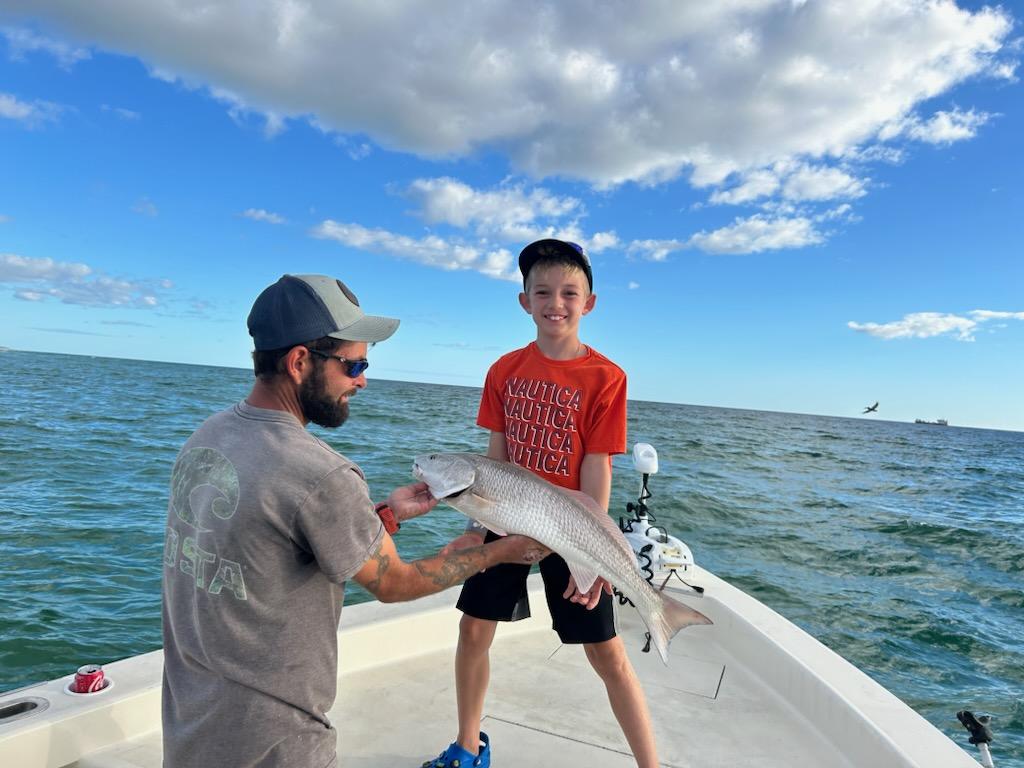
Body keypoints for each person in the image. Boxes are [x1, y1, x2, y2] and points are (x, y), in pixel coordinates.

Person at [161, 273, 549, 768]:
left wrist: (383, 515)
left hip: (192, 728)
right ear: (299, 361)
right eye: (354, 364)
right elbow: (394, 583)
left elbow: (277, 540)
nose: (363, 379)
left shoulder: (207, 437)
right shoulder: (321, 473)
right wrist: (499, 551)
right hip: (277, 743)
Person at [424, 240, 659, 768]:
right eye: (543, 291)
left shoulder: (607, 377)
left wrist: (594, 556)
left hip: (572, 527)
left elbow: (597, 465)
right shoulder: (505, 369)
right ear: (524, 301)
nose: (557, 302)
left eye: (569, 292)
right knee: (473, 629)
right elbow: (494, 460)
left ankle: (650, 764)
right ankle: (467, 746)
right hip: (506, 516)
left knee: (606, 653)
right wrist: (475, 526)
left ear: (589, 302)